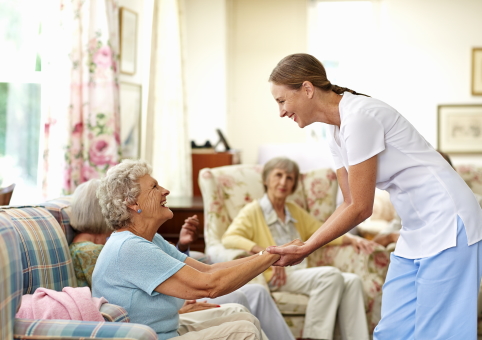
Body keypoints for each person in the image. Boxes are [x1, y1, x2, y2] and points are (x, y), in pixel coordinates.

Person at [265, 53, 482, 339]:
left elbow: (360, 208)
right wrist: (309, 243)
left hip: (449, 222)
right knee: (392, 330)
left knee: (439, 332)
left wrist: (307, 247)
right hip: (416, 229)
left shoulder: (360, 117)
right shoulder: (335, 132)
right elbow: (349, 202)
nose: (281, 111)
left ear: (307, 89)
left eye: (282, 101)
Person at [92, 159, 296, 340]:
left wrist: (268, 254)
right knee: (245, 330)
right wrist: (271, 257)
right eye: (154, 187)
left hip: (166, 330)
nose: (165, 190)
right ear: (132, 202)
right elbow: (209, 286)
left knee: (242, 314)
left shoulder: (149, 239)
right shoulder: (130, 248)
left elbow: (207, 271)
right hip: (154, 337)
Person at [222, 156, 372, 340]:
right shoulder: (253, 211)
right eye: (278, 175)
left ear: (293, 184)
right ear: (266, 180)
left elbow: (320, 230)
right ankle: (314, 337)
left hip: (300, 273)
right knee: (331, 275)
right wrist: (266, 253)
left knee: (352, 281)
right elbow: (229, 238)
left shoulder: (293, 210)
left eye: (289, 177)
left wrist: (350, 239)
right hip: (276, 274)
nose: (283, 182)